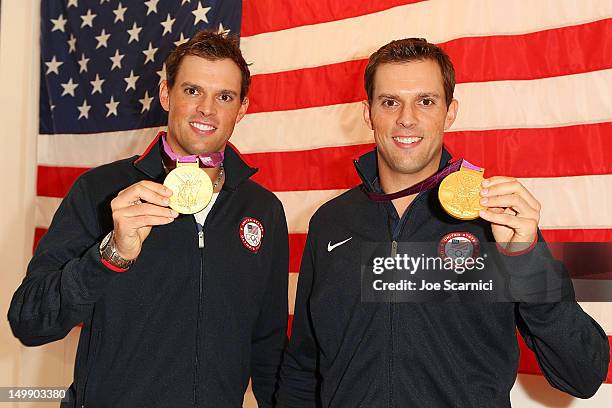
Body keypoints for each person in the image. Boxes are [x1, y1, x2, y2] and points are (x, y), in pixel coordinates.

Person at [276, 38, 609, 407]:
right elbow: (304, 369)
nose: (407, 117)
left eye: (426, 101)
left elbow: (584, 373)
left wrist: (526, 258)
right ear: (368, 113)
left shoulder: (495, 219)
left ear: (450, 112)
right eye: (390, 102)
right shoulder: (331, 223)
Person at [9, 31, 288, 407]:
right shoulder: (100, 190)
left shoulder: (262, 209)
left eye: (224, 96)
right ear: (165, 94)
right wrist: (111, 255)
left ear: (242, 108)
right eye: (192, 91)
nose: (207, 108)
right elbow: (29, 320)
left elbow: (268, 345)